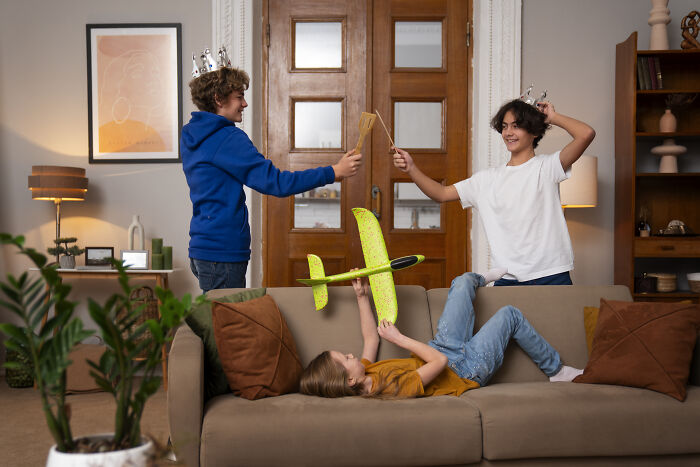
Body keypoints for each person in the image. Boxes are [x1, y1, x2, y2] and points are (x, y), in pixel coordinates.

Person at [182, 65, 362, 292]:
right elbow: (277, 183)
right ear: (218, 99)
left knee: (218, 321)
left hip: (202, 248)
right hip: (223, 253)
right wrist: (334, 172)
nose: (244, 104)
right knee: (229, 325)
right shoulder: (227, 137)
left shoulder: (193, 134)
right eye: (239, 97)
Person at [392, 99, 595, 286]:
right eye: (505, 126)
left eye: (517, 126)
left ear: (534, 132)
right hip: (507, 278)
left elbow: (586, 134)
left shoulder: (547, 167)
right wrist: (411, 168)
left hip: (551, 274)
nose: (508, 133)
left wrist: (553, 118)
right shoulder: (486, 180)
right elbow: (441, 194)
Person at [299, 269, 582, 398]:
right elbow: (439, 364)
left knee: (461, 283)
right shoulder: (391, 389)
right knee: (510, 314)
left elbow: (371, 338)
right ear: (349, 380)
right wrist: (399, 339)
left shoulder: (367, 372)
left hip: (443, 346)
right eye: (347, 357)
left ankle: (484, 278)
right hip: (466, 370)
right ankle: (555, 369)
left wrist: (362, 296)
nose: (352, 354)